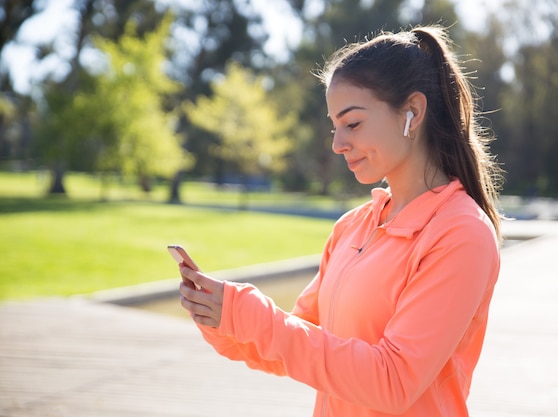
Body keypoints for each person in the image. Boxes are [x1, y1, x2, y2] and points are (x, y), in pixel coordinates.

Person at [178, 25, 503, 417]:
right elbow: (294, 343)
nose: (337, 144)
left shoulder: (461, 233)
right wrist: (221, 317)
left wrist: (249, 314)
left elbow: (394, 381)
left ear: (412, 112)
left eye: (353, 124)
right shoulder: (353, 227)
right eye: (335, 127)